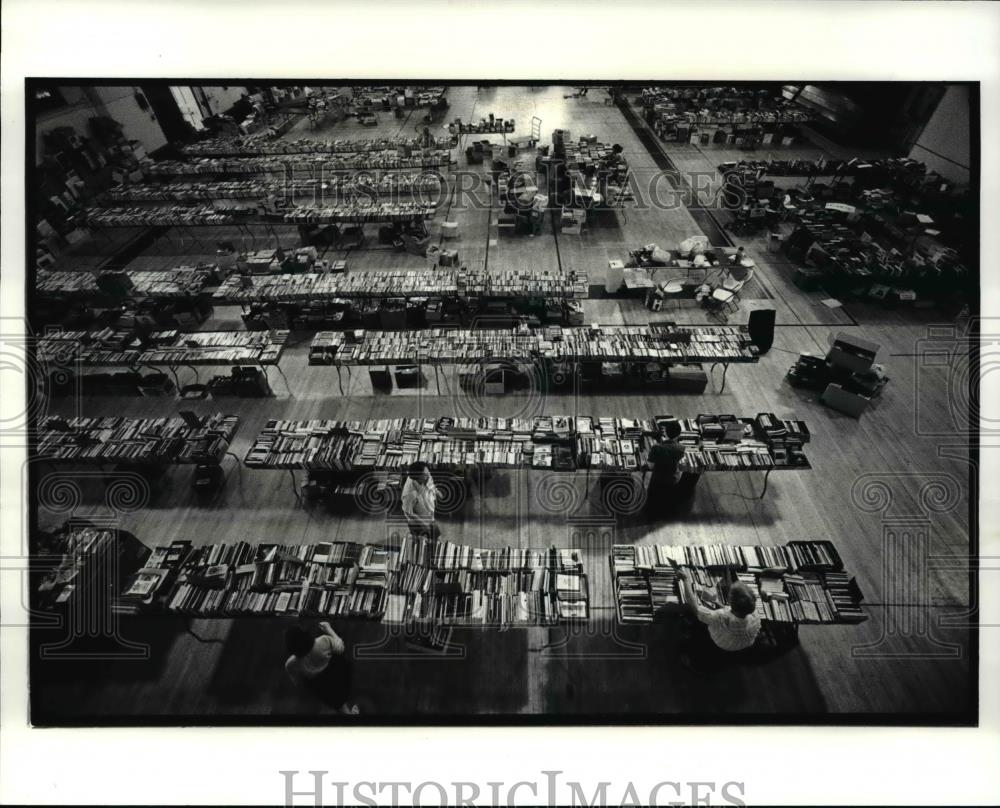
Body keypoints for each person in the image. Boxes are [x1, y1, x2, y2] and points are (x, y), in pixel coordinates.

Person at [674, 564, 762, 669]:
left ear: (731, 603)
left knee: (691, 617)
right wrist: (716, 602)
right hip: (742, 646)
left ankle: (694, 655)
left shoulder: (721, 617)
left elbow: (695, 608)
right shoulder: (754, 613)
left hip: (721, 644)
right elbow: (735, 612)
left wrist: (686, 579)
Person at [284, 622, 358, 714]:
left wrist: (297, 681)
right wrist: (329, 629)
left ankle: (343, 708)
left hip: (319, 687)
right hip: (337, 675)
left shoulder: (293, 662)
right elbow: (341, 648)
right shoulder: (323, 641)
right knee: (340, 656)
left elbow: (289, 669)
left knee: (336, 701)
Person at [644, 419, 687, 517]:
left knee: (653, 496)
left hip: (657, 478)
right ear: (678, 434)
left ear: (665, 432)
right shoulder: (681, 448)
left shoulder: (656, 447)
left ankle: (650, 512)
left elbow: (650, 465)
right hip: (672, 478)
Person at [402, 460, 440, 539]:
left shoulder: (426, 475)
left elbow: (430, 483)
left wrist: (436, 491)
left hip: (429, 517)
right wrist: (422, 524)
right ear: (418, 477)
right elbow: (408, 511)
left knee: (437, 539)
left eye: (428, 472)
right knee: (421, 546)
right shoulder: (409, 493)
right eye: (425, 474)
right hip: (418, 523)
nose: (429, 475)